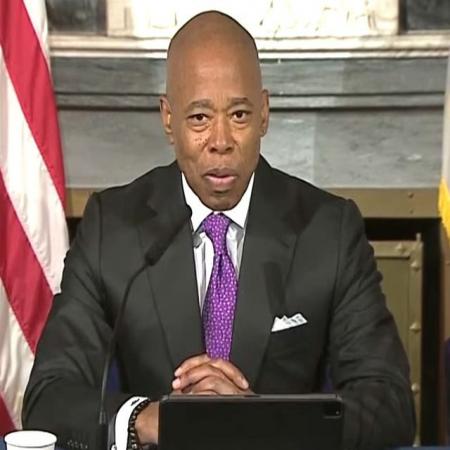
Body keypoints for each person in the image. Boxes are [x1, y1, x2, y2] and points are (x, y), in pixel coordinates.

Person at [23, 10, 415, 450]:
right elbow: (48, 397)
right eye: (199, 118)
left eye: (240, 114)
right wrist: (147, 419)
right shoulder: (112, 228)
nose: (221, 141)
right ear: (168, 119)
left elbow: (390, 404)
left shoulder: (328, 231)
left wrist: (257, 420)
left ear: (264, 114)